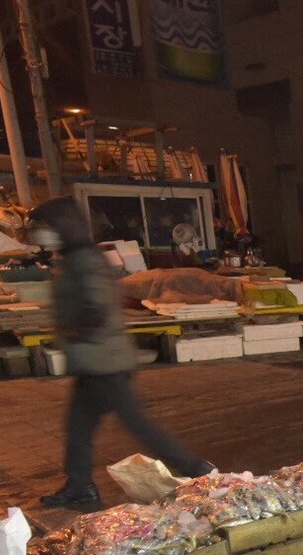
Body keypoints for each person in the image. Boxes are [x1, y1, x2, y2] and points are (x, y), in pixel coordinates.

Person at [31, 198, 213, 511]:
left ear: (61, 226)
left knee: (139, 425)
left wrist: (74, 330)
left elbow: (97, 305)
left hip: (105, 363)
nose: (41, 235)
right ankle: (79, 486)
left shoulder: (85, 259)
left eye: (45, 227)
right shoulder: (74, 257)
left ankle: (199, 471)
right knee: (77, 428)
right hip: (94, 362)